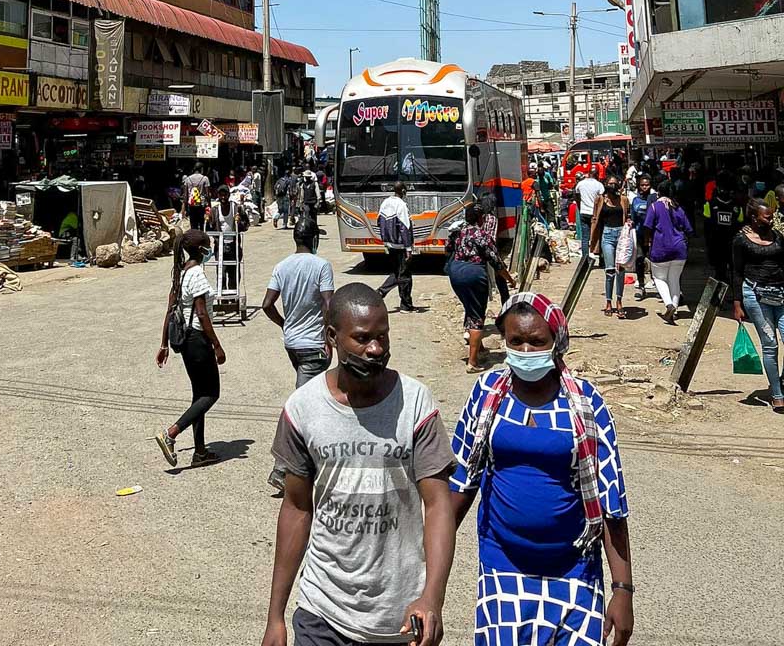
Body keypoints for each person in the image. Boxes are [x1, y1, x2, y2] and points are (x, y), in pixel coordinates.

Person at [262, 283, 457, 646]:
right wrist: (276, 616)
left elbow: (438, 504)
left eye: (383, 337)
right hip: (322, 610)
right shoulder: (303, 409)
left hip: (397, 619)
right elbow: (296, 508)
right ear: (332, 337)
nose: (376, 349)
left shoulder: (415, 403)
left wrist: (432, 597)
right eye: (363, 338)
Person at [448, 292, 633, 646]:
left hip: (575, 570)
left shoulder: (585, 402)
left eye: (537, 342)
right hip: (503, 565)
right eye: (516, 341)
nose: (526, 352)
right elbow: (460, 484)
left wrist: (622, 589)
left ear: (557, 343)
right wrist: (427, 570)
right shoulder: (488, 393)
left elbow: (611, 498)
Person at [262, 211, 335, 494]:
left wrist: (284, 324)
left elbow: (267, 303)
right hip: (314, 346)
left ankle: (311, 461)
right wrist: (330, 337)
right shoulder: (321, 266)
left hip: (292, 344)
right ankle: (281, 468)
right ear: (315, 238)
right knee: (300, 404)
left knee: (313, 401)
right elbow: (329, 304)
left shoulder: (282, 266)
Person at [155, 228, 226, 468]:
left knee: (199, 395)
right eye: (208, 245)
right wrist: (217, 345)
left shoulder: (180, 273)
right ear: (202, 249)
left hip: (185, 342)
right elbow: (202, 313)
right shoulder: (196, 274)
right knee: (211, 394)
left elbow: (169, 310)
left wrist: (163, 343)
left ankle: (200, 452)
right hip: (198, 339)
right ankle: (171, 433)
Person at [445, 199, 515, 372]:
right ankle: (473, 362)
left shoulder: (459, 233)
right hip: (474, 274)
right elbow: (496, 262)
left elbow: (447, 249)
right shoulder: (482, 236)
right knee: (477, 315)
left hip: (455, 273)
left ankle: (479, 347)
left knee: (470, 308)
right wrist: (510, 280)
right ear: (480, 218)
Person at [732, 199, 784, 412]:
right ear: (754, 218)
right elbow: (736, 271)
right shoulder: (741, 241)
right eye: (767, 217)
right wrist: (737, 304)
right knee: (770, 344)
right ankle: (778, 394)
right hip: (755, 294)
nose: (771, 220)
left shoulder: (778, 237)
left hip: (781, 294)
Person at [642, 180, 692, 325]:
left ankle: (669, 305)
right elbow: (689, 229)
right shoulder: (678, 208)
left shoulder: (654, 207)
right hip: (679, 249)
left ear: (658, 192)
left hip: (661, 249)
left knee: (659, 278)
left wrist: (646, 243)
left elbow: (647, 227)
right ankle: (674, 311)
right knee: (674, 280)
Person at [589, 175, 630, 320]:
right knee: (610, 270)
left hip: (621, 236)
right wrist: (593, 240)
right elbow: (595, 218)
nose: (612, 186)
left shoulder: (623, 199)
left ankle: (619, 301)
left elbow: (628, 215)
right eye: (610, 183)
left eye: (615, 183)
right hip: (607, 235)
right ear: (606, 184)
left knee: (621, 269)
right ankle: (608, 302)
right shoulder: (600, 200)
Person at [377, 181, 415, 313]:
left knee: (397, 272)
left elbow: (378, 221)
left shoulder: (385, 202)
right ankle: (405, 305)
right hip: (400, 246)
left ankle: (382, 294)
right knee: (405, 275)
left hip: (390, 244)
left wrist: (386, 240)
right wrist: (408, 248)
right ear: (403, 191)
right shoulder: (401, 205)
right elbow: (405, 227)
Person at [206, 183, 248, 296]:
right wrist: (207, 220)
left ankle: (233, 296)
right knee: (221, 273)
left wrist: (239, 222)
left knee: (234, 273)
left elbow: (246, 225)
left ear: (229, 195)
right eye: (221, 195)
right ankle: (223, 295)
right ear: (218, 196)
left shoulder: (236, 208)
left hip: (234, 245)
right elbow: (209, 227)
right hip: (220, 245)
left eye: (225, 195)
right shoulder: (215, 210)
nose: (223, 198)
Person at [703, 170, 744, 287]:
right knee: (720, 273)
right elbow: (707, 228)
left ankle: (734, 297)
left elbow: (741, 226)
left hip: (732, 245)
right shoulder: (709, 205)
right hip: (717, 244)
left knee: (734, 272)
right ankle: (719, 299)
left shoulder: (737, 206)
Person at [628, 173, 657, 300]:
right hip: (639, 235)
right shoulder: (635, 201)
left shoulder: (656, 200)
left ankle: (657, 285)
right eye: (642, 185)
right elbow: (633, 218)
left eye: (647, 185)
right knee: (639, 260)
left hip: (654, 236)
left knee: (655, 262)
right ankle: (641, 285)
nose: (645, 187)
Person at [575, 167, 604, 250]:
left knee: (585, 237)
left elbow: (576, 196)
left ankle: (585, 258)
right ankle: (597, 253)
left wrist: (580, 206)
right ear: (597, 175)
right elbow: (602, 199)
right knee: (597, 235)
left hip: (583, 212)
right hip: (595, 214)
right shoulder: (599, 185)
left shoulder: (580, 184)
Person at [184, 164, 210, 230]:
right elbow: (207, 194)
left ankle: (194, 238)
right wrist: (209, 205)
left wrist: (186, 208)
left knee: (193, 224)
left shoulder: (187, 179)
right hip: (201, 205)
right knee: (202, 224)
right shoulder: (205, 178)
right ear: (201, 169)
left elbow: (185, 195)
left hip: (191, 205)